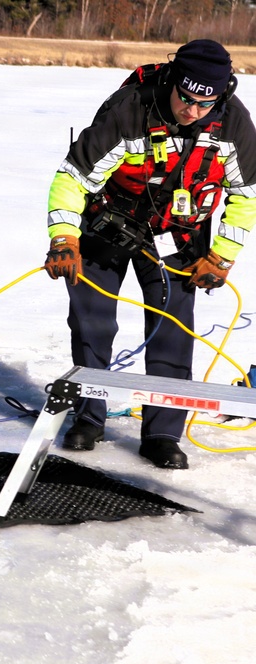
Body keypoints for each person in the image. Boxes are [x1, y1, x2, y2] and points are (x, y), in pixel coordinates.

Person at [44, 38, 256, 470]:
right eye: (186, 99)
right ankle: (88, 418)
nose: (192, 110)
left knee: (172, 331)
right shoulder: (129, 111)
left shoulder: (234, 125)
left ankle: (162, 434)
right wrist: (64, 238)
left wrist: (222, 256)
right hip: (110, 225)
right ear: (174, 83)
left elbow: (246, 195)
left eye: (205, 103)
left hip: (180, 235)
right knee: (92, 322)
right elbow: (72, 179)